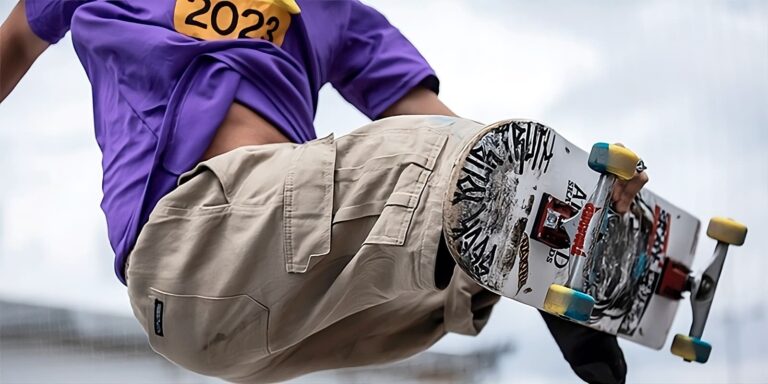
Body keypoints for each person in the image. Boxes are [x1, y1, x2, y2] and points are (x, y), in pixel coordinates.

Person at [0, 0, 647, 382]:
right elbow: (12, 47)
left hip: (269, 323)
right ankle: (549, 236)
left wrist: (553, 179)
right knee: (472, 177)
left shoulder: (330, 10)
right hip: (186, 243)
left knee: (463, 233)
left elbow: (439, 126)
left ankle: (570, 260)